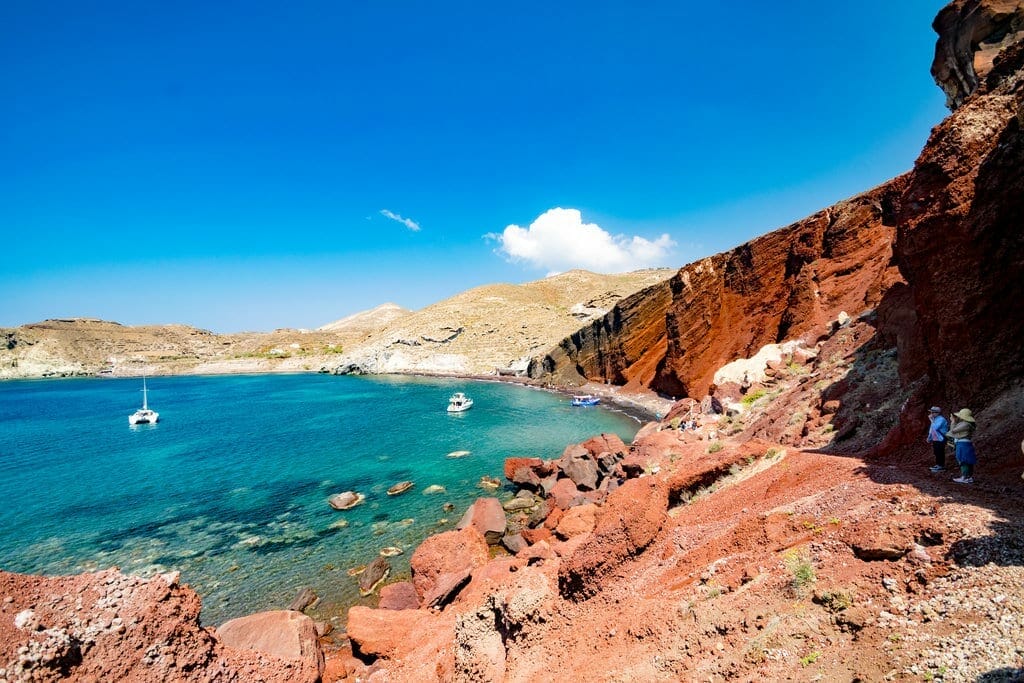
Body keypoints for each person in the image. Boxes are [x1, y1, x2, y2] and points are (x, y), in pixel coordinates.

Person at [947, 408, 977, 484]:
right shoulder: (966, 424)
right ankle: (968, 477)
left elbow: (952, 431)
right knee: (966, 460)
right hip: (964, 443)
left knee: (963, 460)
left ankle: (965, 477)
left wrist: (953, 421)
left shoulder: (965, 424)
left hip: (963, 444)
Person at [926, 406, 950, 472]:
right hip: (935, 439)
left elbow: (935, 428)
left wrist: (931, 420)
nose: (931, 414)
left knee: (940, 452)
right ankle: (938, 464)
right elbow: (931, 430)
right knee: (936, 452)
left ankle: (941, 466)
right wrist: (929, 438)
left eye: (932, 412)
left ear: (937, 413)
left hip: (941, 438)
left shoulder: (941, 419)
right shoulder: (935, 419)